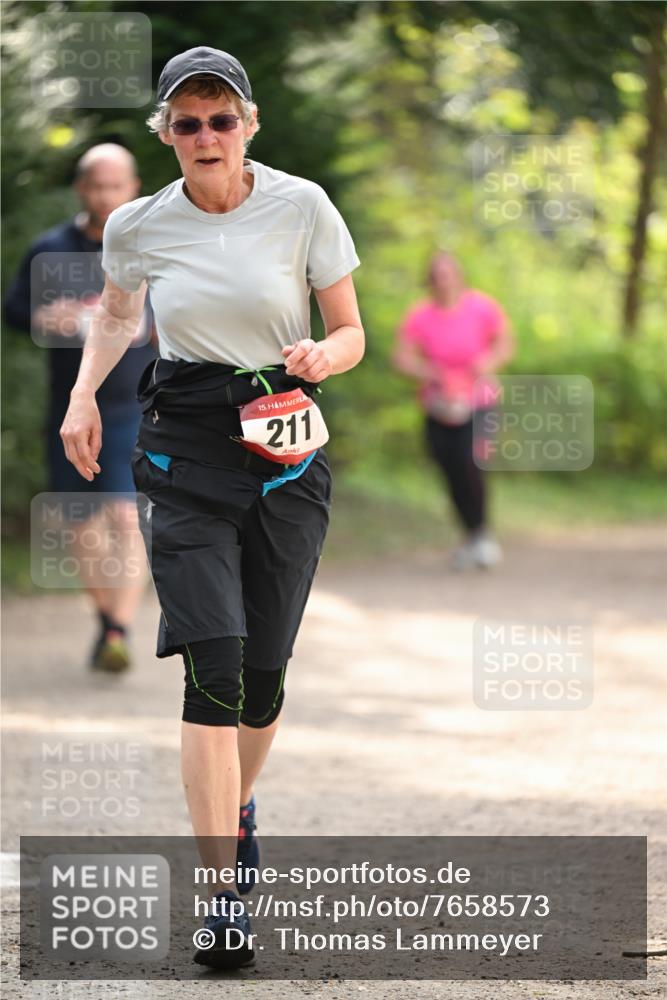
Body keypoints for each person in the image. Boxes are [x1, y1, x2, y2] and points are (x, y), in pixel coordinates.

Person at [59, 47, 364, 967]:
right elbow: (117, 314)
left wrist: (324, 355)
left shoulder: (301, 204)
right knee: (216, 665)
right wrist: (82, 397)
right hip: (183, 443)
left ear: (248, 125)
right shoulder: (140, 224)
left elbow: (351, 329)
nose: (204, 135)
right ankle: (223, 896)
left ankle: (234, 805)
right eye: (185, 122)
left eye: (219, 119)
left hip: (285, 443)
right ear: (165, 133)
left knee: (264, 677)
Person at [4, 144, 156, 671]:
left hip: (136, 404)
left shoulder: (148, 248)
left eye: (116, 186)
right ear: (81, 189)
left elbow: (183, 309)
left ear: (133, 188)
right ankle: (108, 620)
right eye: (97, 186)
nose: (106, 196)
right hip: (72, 405)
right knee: (81, 523)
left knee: (125, 512)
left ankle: (119, 627)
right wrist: (51, 317)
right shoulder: (51, 249)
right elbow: (15, 310)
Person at [394, 251, 513, 569]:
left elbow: (505, 343)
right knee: (448, 469)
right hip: (438, 404)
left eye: (448, 273)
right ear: (430, 280)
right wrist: (428, 371)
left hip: (479, 402)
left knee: (470, 464)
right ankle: (471, 534)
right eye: (437, 275)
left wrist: (486, 362)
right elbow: (402, 358)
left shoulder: (482, 307)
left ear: (459, 276)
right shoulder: (420, 315)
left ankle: (482, 534)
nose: (443, 280)